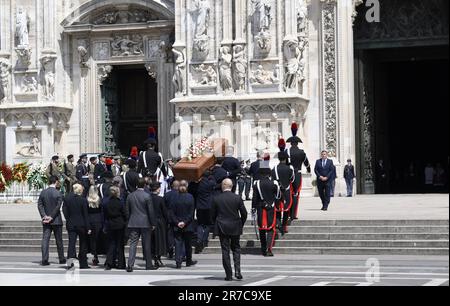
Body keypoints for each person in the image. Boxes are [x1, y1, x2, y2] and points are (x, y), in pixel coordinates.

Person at [211, 179, 248, 281]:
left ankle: (228, 274)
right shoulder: (237, 198)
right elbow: (244, 213)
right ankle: (237, 271)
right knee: (236, 248)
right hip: (235, 225)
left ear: (223, 186)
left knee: (225, 250)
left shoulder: (216, 198)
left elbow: (212, 215)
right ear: (231, 186)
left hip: (222, 226)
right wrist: (241, 223)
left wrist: (216, 222)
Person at [125, 178, 157, 272]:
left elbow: (127, 210)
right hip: (145, 222)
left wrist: (129, 219)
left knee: (133, 244)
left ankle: (130, 265)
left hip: (133, 222)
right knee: (146, 244)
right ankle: (148, 264)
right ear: (145, 185)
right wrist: (153, 223)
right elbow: (150, 211)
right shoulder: (147, 196)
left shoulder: (130, 195)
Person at [252, 157, 281, 257]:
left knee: (261, 229)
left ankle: (263, 248)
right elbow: (278, 196)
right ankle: (269, 249)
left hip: (260, 208)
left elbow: (254, 198)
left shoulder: (257, 183)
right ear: (269, 173)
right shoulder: (274, 183)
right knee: (271, 229)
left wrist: (253, 208)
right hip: (271, 208)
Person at [37, 176, 66, 266]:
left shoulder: (43, 192)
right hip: (56, 220)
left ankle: (44, 259)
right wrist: (51, 216)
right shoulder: (58, 193)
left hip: (46, 220)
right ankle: (61, 258)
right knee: (59, 241)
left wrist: (44, 216)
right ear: (56, 182)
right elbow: (58, 207)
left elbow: (40, 205)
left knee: (45, 240)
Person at [285, 123, 311, 221]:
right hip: (298, 174)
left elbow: (286, 163)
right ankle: (293, 214)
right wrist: (308, 170)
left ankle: (288, 212)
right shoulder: (302, 152)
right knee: (296, 194)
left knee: (289, 193)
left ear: (291, 143)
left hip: (288, 175)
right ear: (297, 144)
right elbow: (307, 164)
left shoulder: (287, 152)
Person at [62, 184, 91, 269]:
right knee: (83, 244)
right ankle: (83, 263)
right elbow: (86, 215)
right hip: (81, 224)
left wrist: (69, 219)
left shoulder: (68, 200)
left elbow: (66, 211)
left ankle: (70, 263)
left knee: (71, 243)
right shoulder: (83, 200)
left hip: (71, 223)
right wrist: (88, 227)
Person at [170, 180, 197, 269]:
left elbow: (172, 213)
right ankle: (188, 261)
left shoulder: (174, 198)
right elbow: (191, 213)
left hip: (177, 225)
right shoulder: (190, 197)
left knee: (178, 244)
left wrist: (177, 222)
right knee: (187, 243)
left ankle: (178, 262)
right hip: (187, 225)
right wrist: (184, 222)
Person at [271, 150, 295, 235]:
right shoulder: (290, 168)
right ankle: (284, 226)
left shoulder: (274, 169)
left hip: (277, 191)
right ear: (285, 159)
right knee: (286, 209)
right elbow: (292, 179)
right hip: (286, 191)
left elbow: (272, 180)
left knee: (277, 209)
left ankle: (278, 223)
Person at [104, 186, 127, 270]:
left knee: (111, 244)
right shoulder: (120, 202)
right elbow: (125, 213)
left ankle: (109, 263)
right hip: (120, 224)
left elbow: (105, 214)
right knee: (120, 245)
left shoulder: (107, 202)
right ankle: (121, 264)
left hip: (110, 224)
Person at [195, 171, 216, 254]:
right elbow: (214, 182)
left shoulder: (197, 184)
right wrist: (211, 176)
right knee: (207, 224)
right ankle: (204, 239)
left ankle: (199, 239)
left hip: (199, 206)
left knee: (200, 223)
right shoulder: (210, 183)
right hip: (208, 206)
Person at [148, 182, 168, 268]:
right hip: (159, 222)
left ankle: (153, 257)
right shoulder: (160, 199)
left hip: (149, 222)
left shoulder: (147, 198)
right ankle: (158, 258)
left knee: (151, 241)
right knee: (159, 241)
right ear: (157, 189)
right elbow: (164, 212)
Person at [87, 184, 103, 266]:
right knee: (98, 239)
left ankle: (95, 256)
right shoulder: (99, 199)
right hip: (98, 220)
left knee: (92, 240)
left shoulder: (87, 200)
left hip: (90, 220)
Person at [164, 180, 180, 259]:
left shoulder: (167, 195)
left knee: (170, 234)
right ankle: (177, 252)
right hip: (178, 218)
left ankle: (170, 249)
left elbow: (164, 206)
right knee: (177, 236)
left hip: (169, 217)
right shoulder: (180, 195)